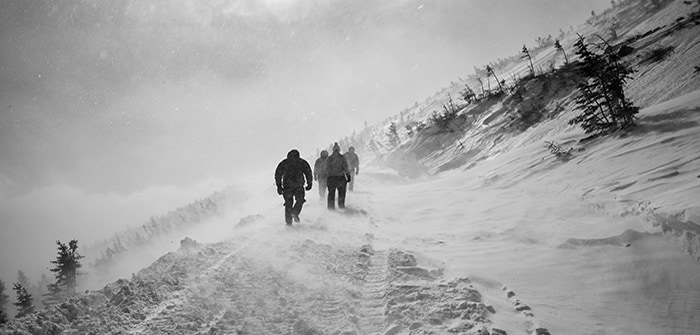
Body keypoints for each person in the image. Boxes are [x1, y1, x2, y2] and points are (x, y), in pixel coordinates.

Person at [274, 149, 313, 225]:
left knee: (288, 203)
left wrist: (279, 186)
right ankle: (295, 212)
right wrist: (309, 183)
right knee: (300, 200)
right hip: (298, 185)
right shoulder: (302, 162)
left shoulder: (284, 163)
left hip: (287, 186)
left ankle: (288, 223)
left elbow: (278, 174)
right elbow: (308, 173)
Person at [325, 143, 351, 210]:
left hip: (331, 178)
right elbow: (346, 167)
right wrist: (348, 175)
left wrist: (327, 177)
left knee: (331, 193)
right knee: (341, 192)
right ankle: (341, 205)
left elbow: (326, 169)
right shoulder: (342, 158)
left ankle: (331, 207)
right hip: (341, 178)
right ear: (339, 150)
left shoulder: (329, 158)